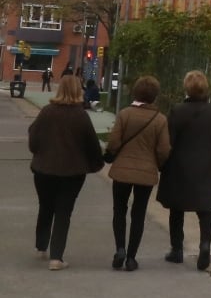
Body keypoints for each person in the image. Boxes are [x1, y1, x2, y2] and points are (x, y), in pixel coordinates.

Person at [27, 73, 104, 270]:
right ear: (79, 90)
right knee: (63, 211)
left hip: (43, 169)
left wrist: (39, 153)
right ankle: (56, 257)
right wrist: (96, 164)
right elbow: (92, 145)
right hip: (72, 172)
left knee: (45, 206)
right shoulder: (81, 116)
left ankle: (41, 246)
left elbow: (33, 139)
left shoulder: (47, 112)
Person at [156, 70, 211, 271]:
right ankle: (205, 244)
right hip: (205, 166)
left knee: (176, 210)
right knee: (205, 211)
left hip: (179, 167)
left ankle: (176, 249)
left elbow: (169, 140)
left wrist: (163, 165)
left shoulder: (178, 111)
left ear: (186, 88)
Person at [106, 75, 171, 272]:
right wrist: (158, 165)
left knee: (119, 210)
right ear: (154, 96)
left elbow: (114, 142)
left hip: (122, 172)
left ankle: (120, 248)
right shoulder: (160, 120)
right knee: (139, 214)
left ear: (136, 92)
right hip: (146, 173)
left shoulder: (125, 114)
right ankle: (132, 257)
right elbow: (163, 150)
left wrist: (113, 154)